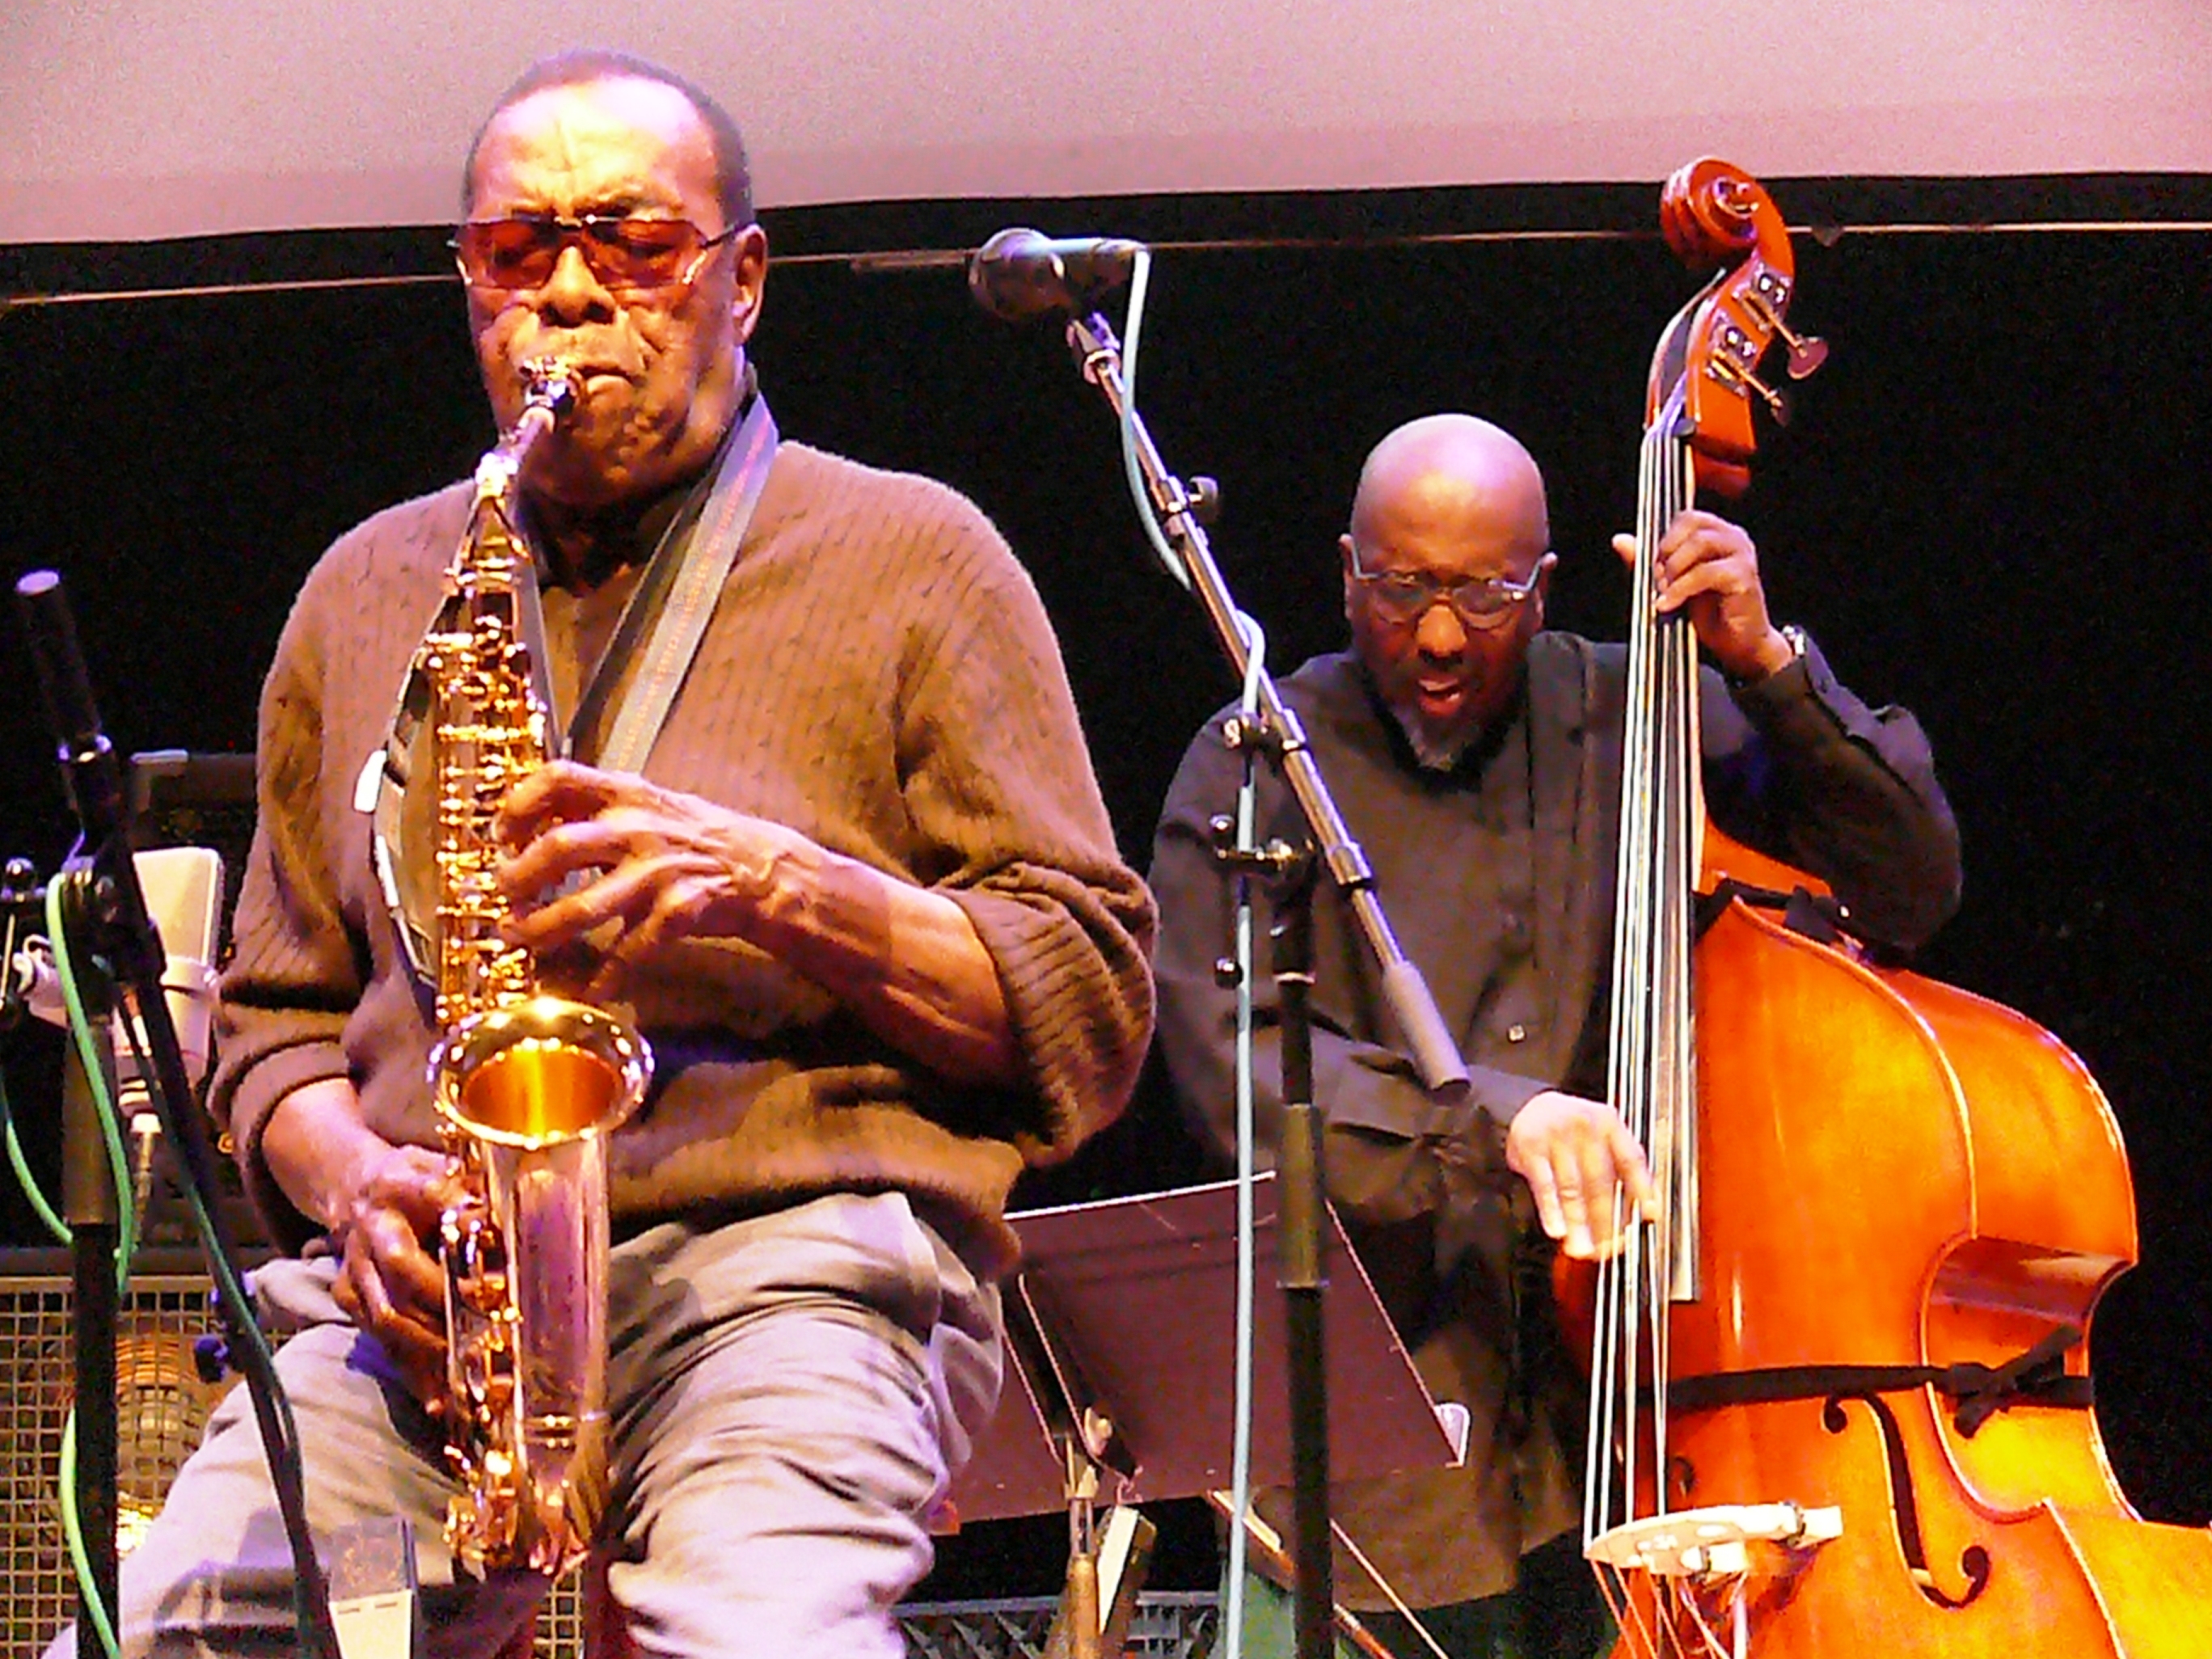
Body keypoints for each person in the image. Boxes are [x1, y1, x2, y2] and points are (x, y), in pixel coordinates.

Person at [57, 49, 1155, 1657]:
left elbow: (1089, 1001)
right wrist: (355, 1186)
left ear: (744, 280)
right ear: (467, 282)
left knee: (759, 1637)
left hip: (794, 1274)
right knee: (144, 1634)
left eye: (633, 243)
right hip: (430, 1318)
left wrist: (785, 891)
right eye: (519, 252)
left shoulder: (918, 555)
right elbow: (272, 1030)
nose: (570, 295)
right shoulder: (371, 589)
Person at [1149, 413, 1960, 1659]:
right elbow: (1233, 1073)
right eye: (1399, 585)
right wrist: (1501, 1125)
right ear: (1343, 570)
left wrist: (1770, 668)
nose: (1433, 635)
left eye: (1481, 592)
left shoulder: (1639, 719)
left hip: (1666, 1441)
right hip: (1391, 1493)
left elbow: (1911, 885)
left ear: (1546, 588)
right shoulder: (1255, 763)